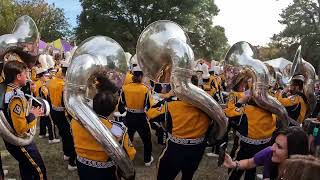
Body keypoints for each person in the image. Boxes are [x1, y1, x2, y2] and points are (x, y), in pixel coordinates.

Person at [71, 74, 136, 180]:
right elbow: (130, 154)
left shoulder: (76, 121)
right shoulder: (117, 128)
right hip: (105, 171)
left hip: (82, 166)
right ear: (113, 109)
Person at [147, 75, 211, 180]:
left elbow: (150, 114)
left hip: (175, 150)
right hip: (197, 150)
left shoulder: (172, 106)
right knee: (188, 176)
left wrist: (167, 98)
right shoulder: (208, 106)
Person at [225, 72, 277, 180]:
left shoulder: (247, 110)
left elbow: (229, 113)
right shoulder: (273, 112)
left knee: (237, 169)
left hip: (245, 147)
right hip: (262, 146)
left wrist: (239, 102)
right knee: (251, 170)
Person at [2, 61, 47, 180]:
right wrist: (33, 114)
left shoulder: (9, 90)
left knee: (26, 169)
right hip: (20, 143)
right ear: (18, 76)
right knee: (40, 171)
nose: (27, 77)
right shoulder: (15, 98)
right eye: (25, 74)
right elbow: (21, 128)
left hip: (15, 142)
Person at [224, 126, 309, 180]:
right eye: (275, 143)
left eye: (279, 147)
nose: (272, 148)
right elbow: (250, 162)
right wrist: (234, 164)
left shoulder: (306, 174)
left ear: (293, 153)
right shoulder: (269, 152)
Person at [118, 65, 154, 166]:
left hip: (129, 116)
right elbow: (150, 105)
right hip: (141, 117)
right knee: (147, 140)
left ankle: (126, 158)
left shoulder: (125, 88)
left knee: (127, 139)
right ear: (142, 76)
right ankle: (147, 160)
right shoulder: (145, 89)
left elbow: (121, 104)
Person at [47, 61, 77, 170]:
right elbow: (66, 103)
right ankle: (72, 162)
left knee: (65, 134)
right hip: (64, 113)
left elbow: (49, 97)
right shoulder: (64, 85)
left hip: (54, 111)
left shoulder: (52, 82)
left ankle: (66, 154)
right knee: (72, 136)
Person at [34, 66, 59, 144]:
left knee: (43, 119)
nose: (47, 77)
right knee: (50, 121)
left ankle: (42, 133)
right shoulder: (42, 86)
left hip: (39, 103)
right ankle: (52, 138)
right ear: (42, 76)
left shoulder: (37, 83)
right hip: (44, 104)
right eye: (46, 76)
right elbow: (47, 96)